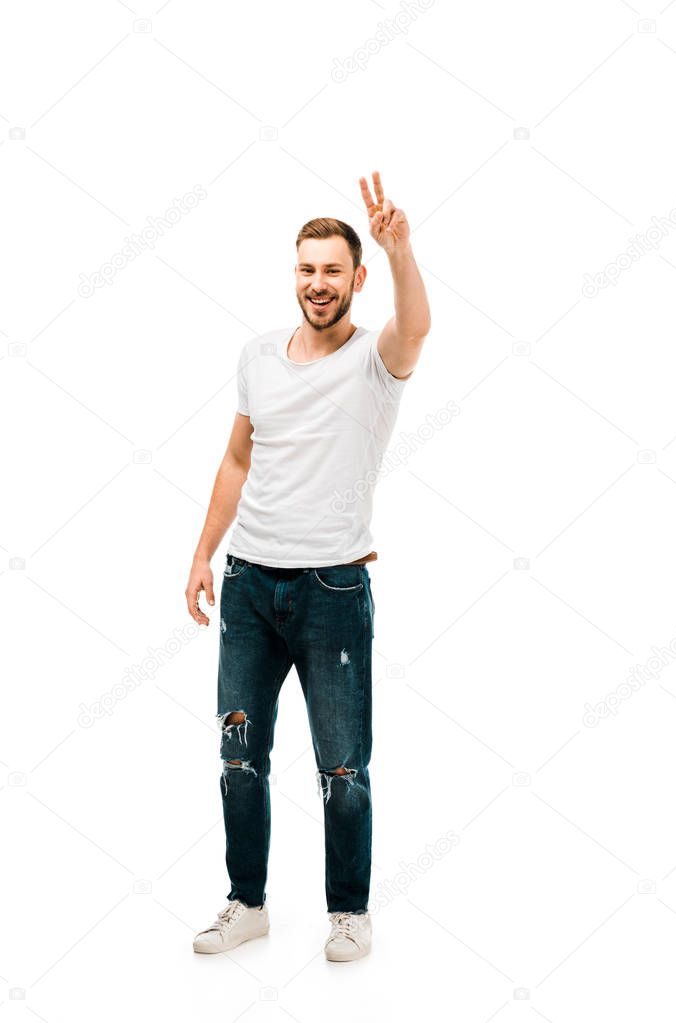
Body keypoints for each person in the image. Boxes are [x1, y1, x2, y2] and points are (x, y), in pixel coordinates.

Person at [185, 171, 431, 962]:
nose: (316, 283)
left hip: (332, 589)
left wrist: (401, 250)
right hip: (249, 584)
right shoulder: (257, 355)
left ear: (355, 279)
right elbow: (234, 458)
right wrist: (201, 554)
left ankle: (348, 912)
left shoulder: (374, 360)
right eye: (305, 268)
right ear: (293, 273)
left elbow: (417, 326)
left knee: (342, 767)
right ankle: (246, 901)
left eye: (331, 270)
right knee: (238, 754)